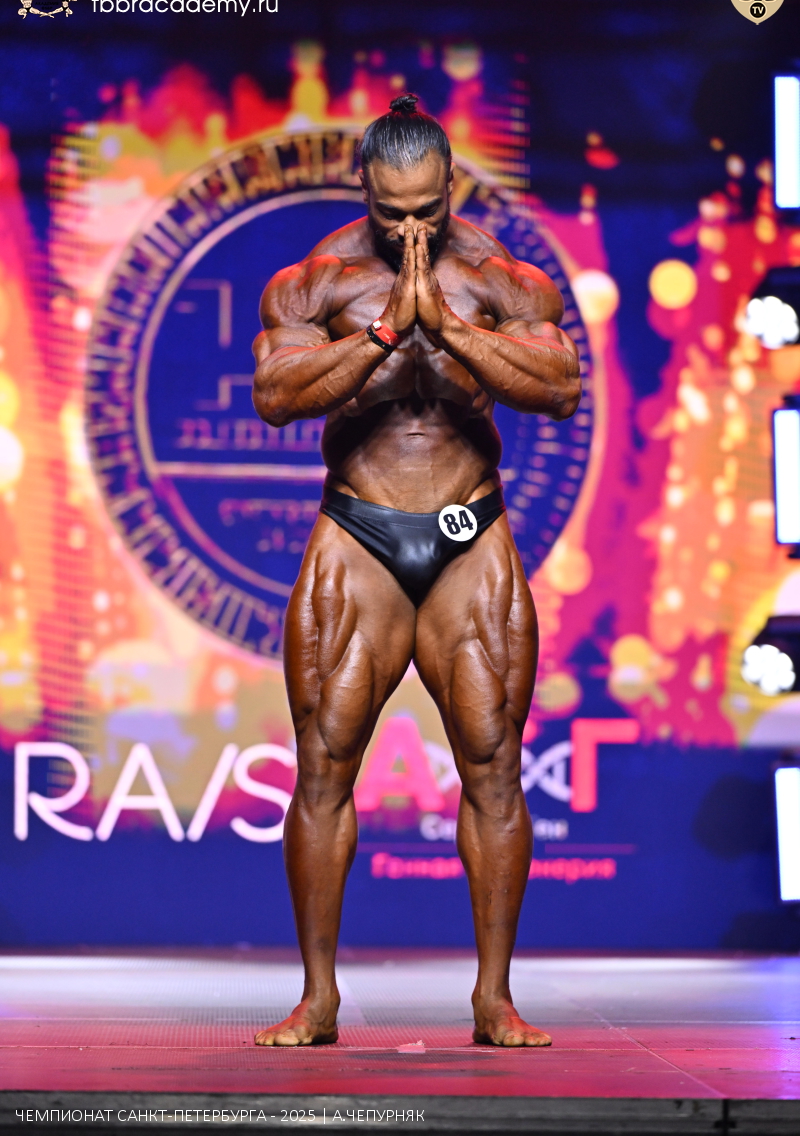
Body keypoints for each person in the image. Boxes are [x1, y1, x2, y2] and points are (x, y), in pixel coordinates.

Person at [251, 94, 581, 1048]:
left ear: (451, 188)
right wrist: (385, 335)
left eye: (428, 210)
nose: (410, 229)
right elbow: (274, 395)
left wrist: (451, 328)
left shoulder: (500, 277)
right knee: (324, 764)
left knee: (493, 761)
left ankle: (494, 999)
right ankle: (318, 1000)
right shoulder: (316, 282)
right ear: (363, 189)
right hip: (360, 530)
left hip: (468, 532)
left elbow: (560, 386)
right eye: (392, 211)